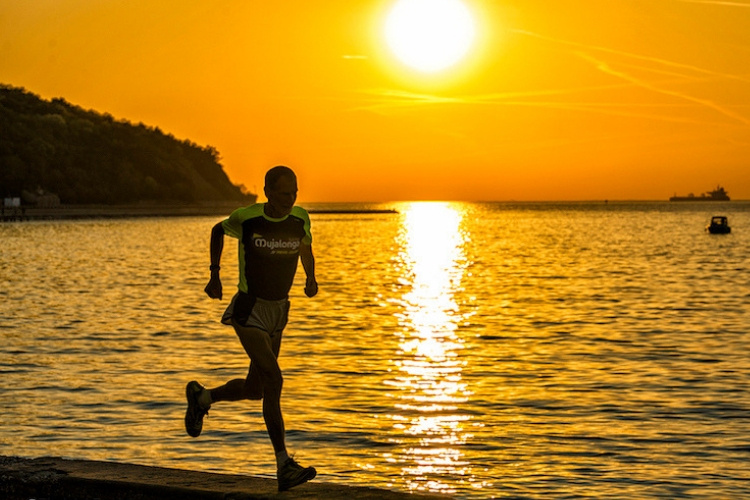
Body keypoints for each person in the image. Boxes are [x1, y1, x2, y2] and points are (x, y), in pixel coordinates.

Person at [184, 165, 319, 492]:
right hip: (249, 308)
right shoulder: (247, 218)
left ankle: (203, 398)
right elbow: (218, 230)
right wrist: (214, 273)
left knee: (256, 388)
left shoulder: (300, 218)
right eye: (284, 192)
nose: (291, 198)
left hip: (279, 311)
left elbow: (305, 248)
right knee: (274, 379)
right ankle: (284, 464)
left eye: (295, 191)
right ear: (268, 192)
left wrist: (311, 278)